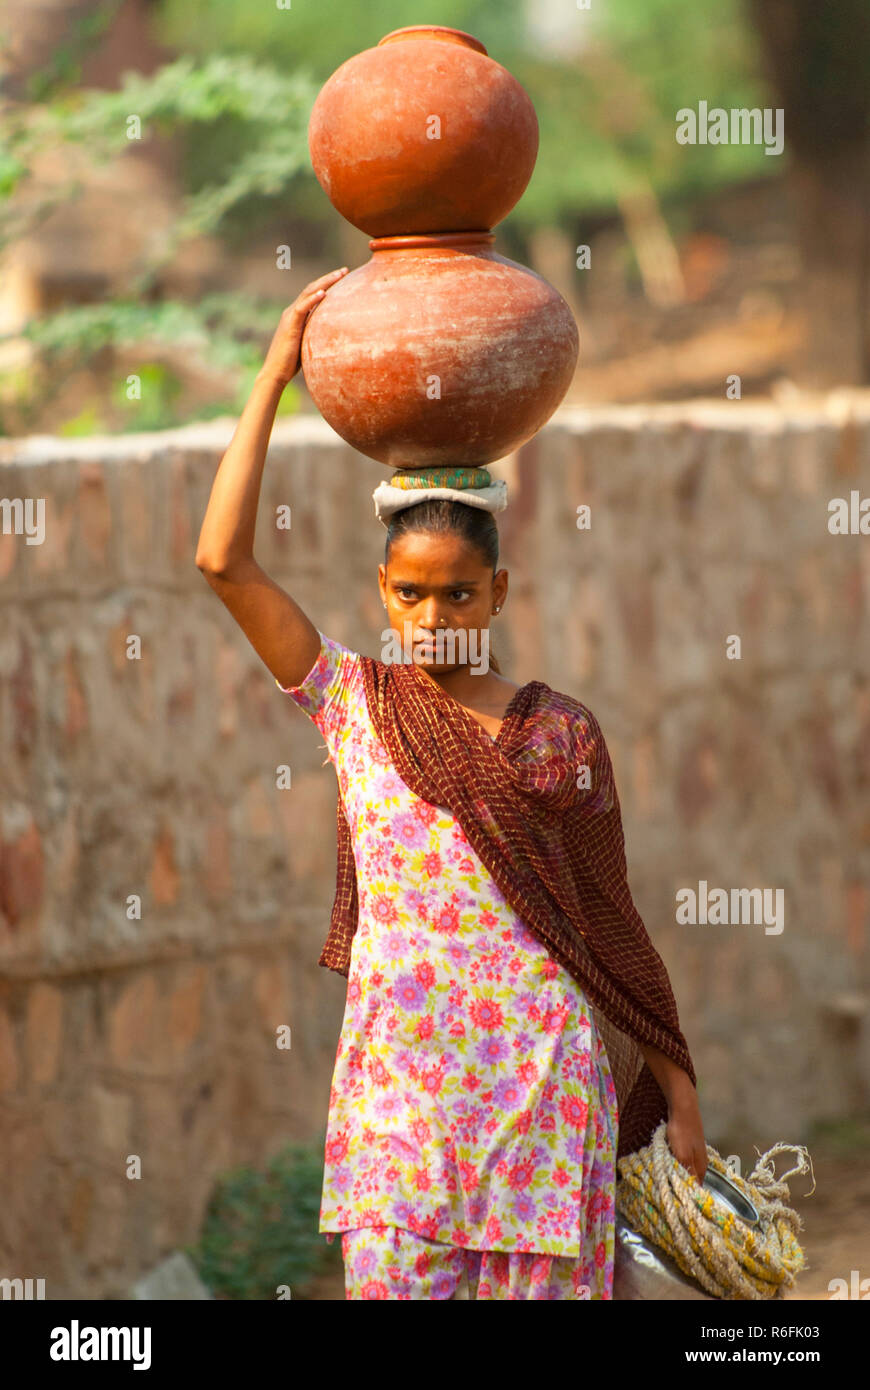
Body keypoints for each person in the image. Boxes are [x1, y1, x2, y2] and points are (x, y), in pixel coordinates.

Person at [195, 270, 707, 1301]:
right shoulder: (353, 700)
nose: (434, 617)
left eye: (459, 593)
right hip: (397, 1108)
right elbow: (221, 561)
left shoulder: (560, 734)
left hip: (542, 1097)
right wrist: (273, 372)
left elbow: (612, 920)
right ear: (384, 589)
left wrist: (681, 1103)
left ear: (500, 591)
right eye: (412, 593)